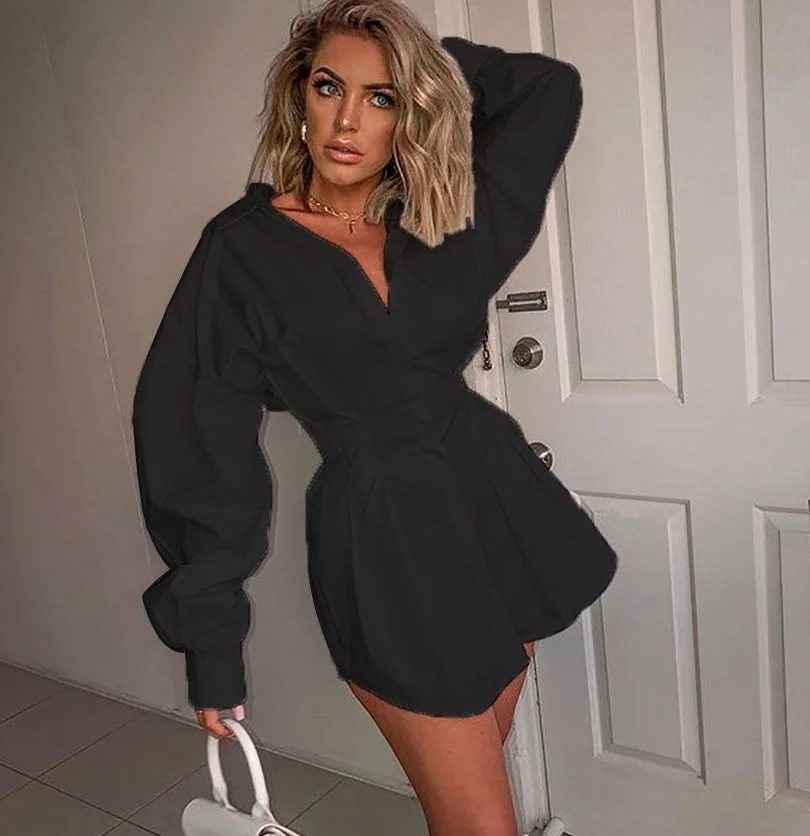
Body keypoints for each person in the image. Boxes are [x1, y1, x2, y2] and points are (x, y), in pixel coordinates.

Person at [131, 0, 618, 833]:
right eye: (329, 87)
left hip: (492, 507)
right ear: (299, 97)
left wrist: (427, 63)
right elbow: (194, 443)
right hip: (388, 542)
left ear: (411, 112)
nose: (348, 119)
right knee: (481, 822)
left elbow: (546, 89)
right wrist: (210, 641)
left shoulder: (439, 216)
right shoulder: (242, 252)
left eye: (381, 97)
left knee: (477, 789)